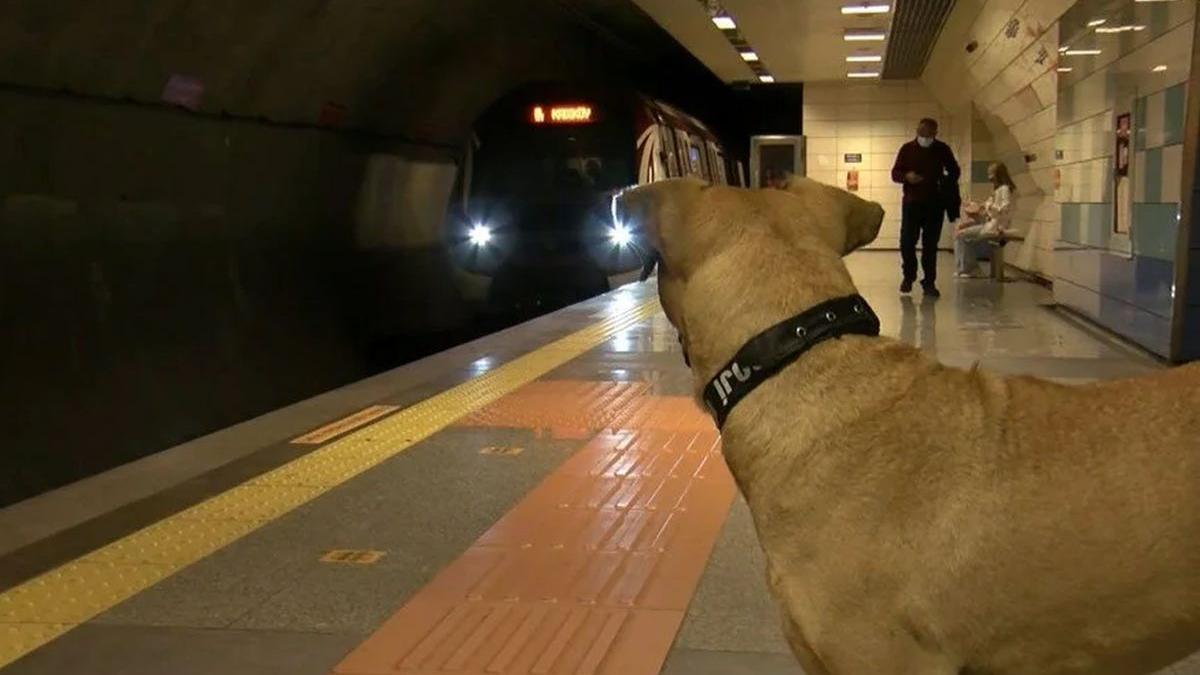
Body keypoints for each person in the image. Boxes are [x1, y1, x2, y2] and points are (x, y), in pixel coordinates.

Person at [891, 117, 961, 297]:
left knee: (930, 246)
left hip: (934, 204)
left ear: (935, 133)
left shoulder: (942, 150)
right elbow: (895, 173)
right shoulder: (907, 149)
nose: (925, 137)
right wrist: (907, 176)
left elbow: (954, 171)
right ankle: (909, 276)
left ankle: (929, 282)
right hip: (912, 203)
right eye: (922, 133)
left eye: (929, 134)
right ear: (917, 131)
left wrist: (943, 181)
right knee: (907, 242)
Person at [954, 161, 1016, 277]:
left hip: (997, 226)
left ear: (998, 175)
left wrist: (988, 207)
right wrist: (976, 208)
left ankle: (970, 269)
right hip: (991, 224)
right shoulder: (997, 191)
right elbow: (985, 208)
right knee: (960, 234)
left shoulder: (1004, 189)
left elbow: (1004, 208)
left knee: (962, 236)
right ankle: (963, 268)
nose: (989, 178)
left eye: (991, 174)